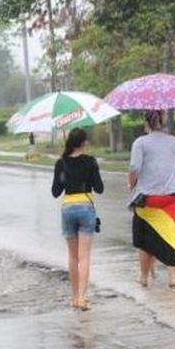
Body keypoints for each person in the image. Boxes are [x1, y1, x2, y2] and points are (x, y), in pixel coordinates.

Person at [127, 109, 175, 289]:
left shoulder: (140, 143)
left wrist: (131, 185)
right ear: (164, 122)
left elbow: (134, 167)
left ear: (146, 123)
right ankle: (173, 277)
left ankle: (144, 277)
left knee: (145, 239)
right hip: (173, 198)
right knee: (169, 234)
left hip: (149, 198)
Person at [51, 128, 104, 311]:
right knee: (84, 257)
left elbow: (55, 192)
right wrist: (92, 171)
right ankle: (82, 297)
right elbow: (99, 188)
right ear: (84, 143)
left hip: (67, 209)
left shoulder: (61, 163)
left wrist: (65, 173)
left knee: (73, 257)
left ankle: (74, 298)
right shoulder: (90, 161)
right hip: (85, 208)